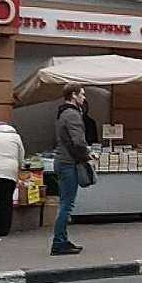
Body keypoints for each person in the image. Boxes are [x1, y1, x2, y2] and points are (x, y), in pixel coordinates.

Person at [52, 84, 90, 255]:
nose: (84, 98)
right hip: (68, 163)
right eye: (82, 94)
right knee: (66, 204)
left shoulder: (62, 113)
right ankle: (59, 242)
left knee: (65, 203)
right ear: (73, 95)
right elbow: (78, 141)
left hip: (62, 160)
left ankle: (63, 240)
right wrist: (87, 155)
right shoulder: (72, 114)